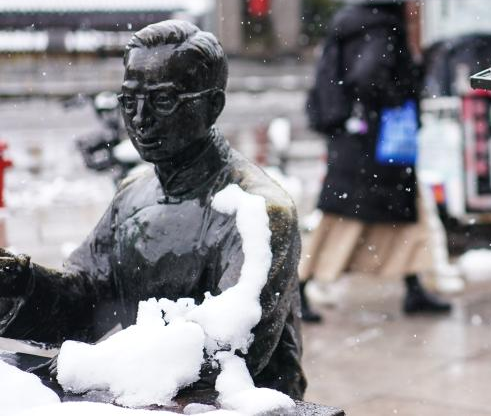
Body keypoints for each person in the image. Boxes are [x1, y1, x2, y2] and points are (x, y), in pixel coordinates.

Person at [0, 20, 306, 399]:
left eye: (162, 101)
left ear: (213, 105)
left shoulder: (256, 210)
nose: (140, 118)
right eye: (129, 100)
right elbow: (84, 303)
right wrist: (18, 281)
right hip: (146, 398)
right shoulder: (133, 195)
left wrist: (96, 367)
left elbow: (228, 353)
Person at [300, 0, 450, 320]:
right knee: (342, 222)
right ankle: (298, 288)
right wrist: (406, 83)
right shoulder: (382, 30)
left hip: (360, 143)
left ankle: (414, 287)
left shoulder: (352, 26)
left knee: (410, 216)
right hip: (373, 148)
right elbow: (368, 79)